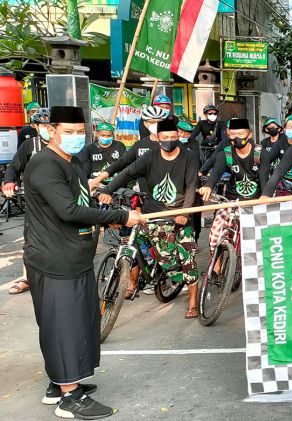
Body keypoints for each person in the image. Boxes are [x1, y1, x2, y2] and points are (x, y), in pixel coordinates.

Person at [23, 106, 141, 419]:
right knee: (64, 327)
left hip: (75, 256)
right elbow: (69, 211)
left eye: (80, 132)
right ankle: (69, 397)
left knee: (80, 322)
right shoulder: (44, 165)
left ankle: (58, 382)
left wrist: (107, 214)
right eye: (69, 132)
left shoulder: (71, 162)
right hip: (54, 259)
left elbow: (81, 201)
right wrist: (120, 215)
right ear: (51, 130)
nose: (76, 138)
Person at [101, 119, 200, 318]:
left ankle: (193, 301)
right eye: (165, 138)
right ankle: (138, 279)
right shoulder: (150, 156)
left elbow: (191, 186)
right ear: (158, 138)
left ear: (178, 136)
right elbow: (127, 172)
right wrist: (108, 190)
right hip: (153, 213)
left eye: (173, 137)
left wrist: (184, 213)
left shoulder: (189, 156)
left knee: (187, 262)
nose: (169, 141)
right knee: (163, 260)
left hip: (179, 215)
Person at [3, 108, 54, 295]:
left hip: (60, 199)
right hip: (35, 201)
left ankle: (56, 276)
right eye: (44, 126)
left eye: (51, 125)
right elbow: (15, 166)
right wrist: (9, 182)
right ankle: (28, 278)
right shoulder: (29, 145)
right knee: (32, 240)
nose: (48, 129)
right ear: (36, 126)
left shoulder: (63, 144)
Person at [200, 118, 261, 254]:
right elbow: (215, 174)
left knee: (259, 240)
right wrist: (208, 185)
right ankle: (215, 270)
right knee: (215, 235)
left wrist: (265, 198)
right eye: (232, 134)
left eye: (240, 133)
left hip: (255, 202)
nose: (236, 137)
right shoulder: (225, 154)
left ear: (249, 134)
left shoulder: (259, 153)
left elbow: (265, 180)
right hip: (231, 202)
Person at [89, 106, 167, 190]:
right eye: (152, 122)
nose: (156, 125)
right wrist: (98, 179)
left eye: (159, 121)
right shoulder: (140, 145)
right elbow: (121, 163)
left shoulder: (173, 144)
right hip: (147, 196)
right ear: (145, 124)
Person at [258, 114, 292, 195]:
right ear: (284, 129)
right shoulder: (280, 144)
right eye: (289, 126)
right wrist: (265, 190)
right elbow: (267, 159)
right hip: (284, 184)